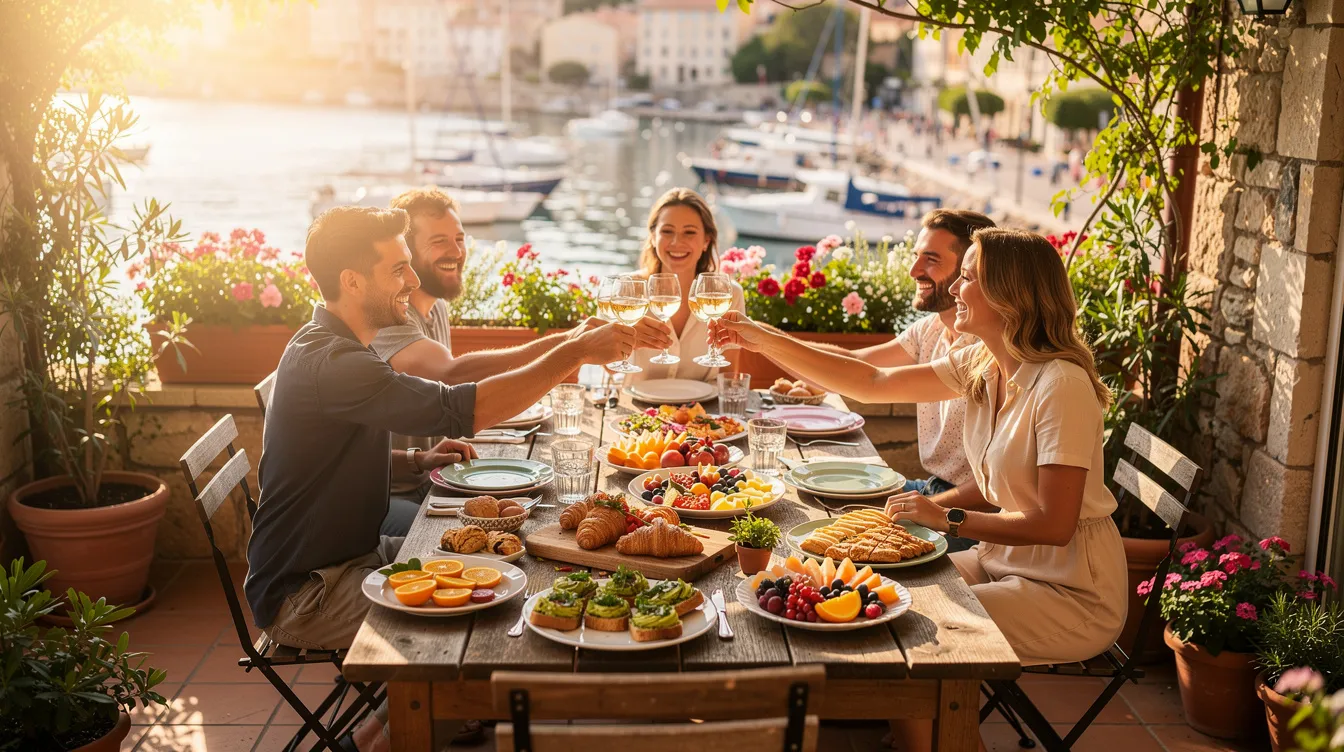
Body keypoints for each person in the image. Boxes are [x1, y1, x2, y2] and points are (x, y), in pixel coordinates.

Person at [710, 228, 1126, 750]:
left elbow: (1055, 524)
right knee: (883, 591)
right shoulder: (984, 365)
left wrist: (942, 517)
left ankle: (938, 741)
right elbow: (871, 382)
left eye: (969, 277)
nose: (955, 288)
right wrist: (759, 336)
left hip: (1067, 589)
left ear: (1008, 294)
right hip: (1002, 561)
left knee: (911, 630)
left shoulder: (1060, 385)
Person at [246, 206, 633, 652]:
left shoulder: (334, 344)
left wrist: (416, 460)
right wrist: (577, 351)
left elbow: (320, 460)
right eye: (397, 269)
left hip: (355, 558)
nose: (412, 280)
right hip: (311, 592)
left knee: (499, 562)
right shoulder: (336, 363)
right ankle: (393, 724)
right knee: (483, 622)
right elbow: (463, 409)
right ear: (352, 281)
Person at [365, 187, 670, 536]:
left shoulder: (435, 308)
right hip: (390, 494)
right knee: (494, 533)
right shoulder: (390, 319)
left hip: (424, 473)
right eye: (439, 241)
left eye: (460, 238)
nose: (456, 251)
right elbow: (450, 374)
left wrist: (575, 338)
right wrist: (576, 345)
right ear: (405, 252)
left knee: (535, 515)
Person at [759, 209, 995, 553]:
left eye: (931, 259)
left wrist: (931, 509)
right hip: (931, 489)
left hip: (968, 515)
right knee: (810, 499)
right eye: (916, 257)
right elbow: (851, 365)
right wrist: (758, 337)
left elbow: (869, 381)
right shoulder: (929, 330)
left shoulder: (987, 350)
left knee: (843, 549)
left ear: (971, 270)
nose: (914, 271)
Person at [627, 187, 745, 383]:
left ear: (706, 240)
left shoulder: (730, 294)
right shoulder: (628, 291)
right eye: (667, 231)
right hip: (636, 410)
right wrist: (624, 339)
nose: (676, 242)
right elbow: (610, 369)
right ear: (653, 237)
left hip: (704, 411)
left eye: (689, 232)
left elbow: (729, 376)